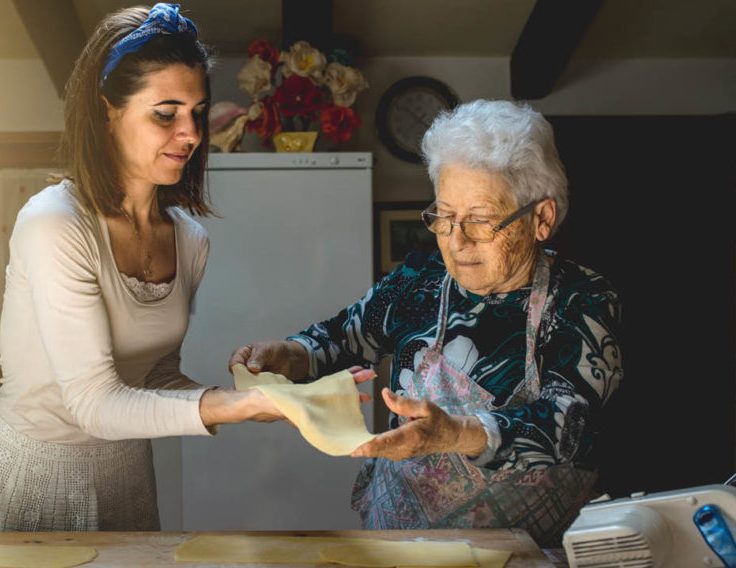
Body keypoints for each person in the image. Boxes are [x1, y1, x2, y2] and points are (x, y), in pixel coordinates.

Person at [0, 4, 314, 532]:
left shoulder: (189, 240)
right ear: (107, 114)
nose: (190, 134)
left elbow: (152, 375)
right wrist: (229, 408)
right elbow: (94, 405)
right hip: (24, 484)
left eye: (197, 111)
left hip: (125, 476)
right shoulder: (53, 224)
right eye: (166, 114)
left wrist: (253, 396)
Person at [230, 100, 623, 546]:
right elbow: (341, 339)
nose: (456, 241)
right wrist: (291, 354)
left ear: (541, 219)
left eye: (479, 220)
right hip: (403, 545)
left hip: (521, 550)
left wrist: (458, 434)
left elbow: (570, 422)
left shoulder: (579, 299)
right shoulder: (418, 282)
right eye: (443, 216)